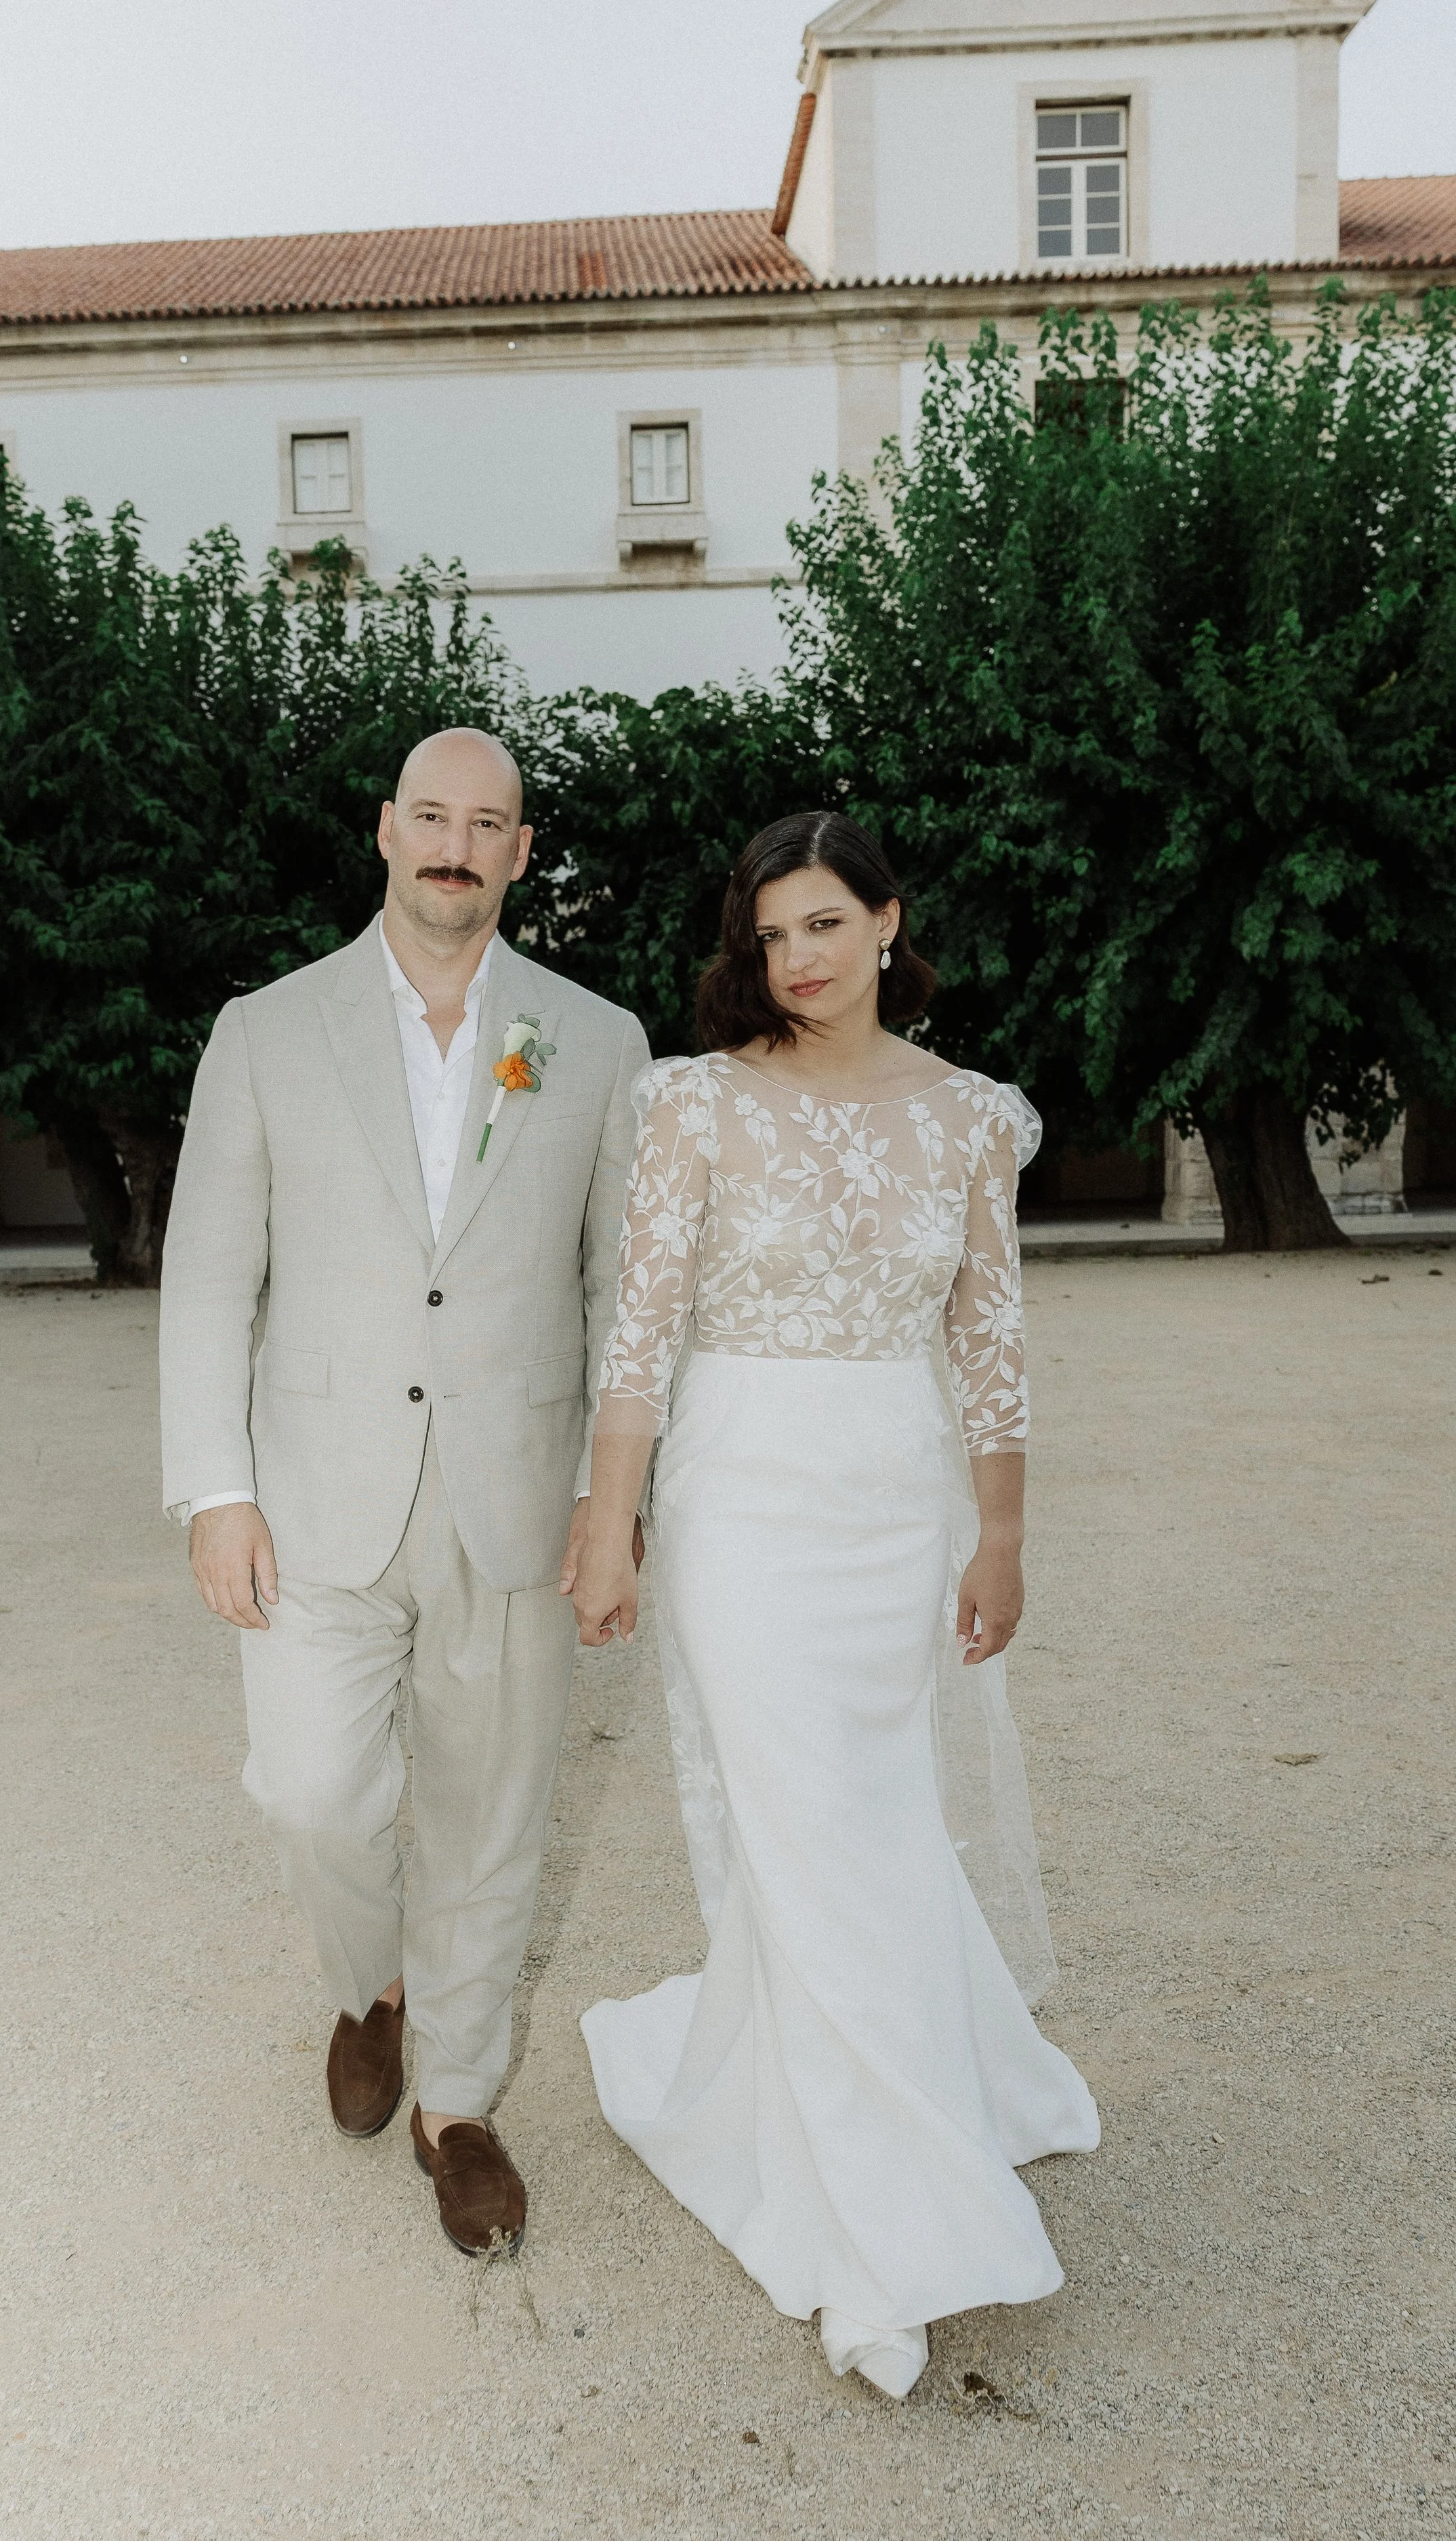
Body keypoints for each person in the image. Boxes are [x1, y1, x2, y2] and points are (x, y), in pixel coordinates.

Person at [570, 810, 1098, 2397]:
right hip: (739, 1498)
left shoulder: (969, 1118)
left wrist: (999, 1538)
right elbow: (638, 1333)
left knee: (869, 1824)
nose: (795, 959)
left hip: (890, 1498)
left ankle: (890, 2091)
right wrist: (609, 1522)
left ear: (885, 921)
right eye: (770, 934)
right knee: (803, 1829)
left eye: (821, 924)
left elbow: (988, 1341)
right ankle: (879, 2237)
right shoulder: (697, 1103)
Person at [160, 727, 648, 2253]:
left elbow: (625, 1289)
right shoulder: (266, 1030)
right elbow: (208, 1274)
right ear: (385, 831)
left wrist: (611, 1497)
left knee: (493, 1811)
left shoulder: (594, 1040)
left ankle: (459, 2102)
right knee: (314, 1792)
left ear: (519, 852)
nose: (455, 845)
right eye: (431, 817)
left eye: (486, 824)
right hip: (314, 1493)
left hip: (519, 1494)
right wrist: (214, 1490)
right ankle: (367, 1981)